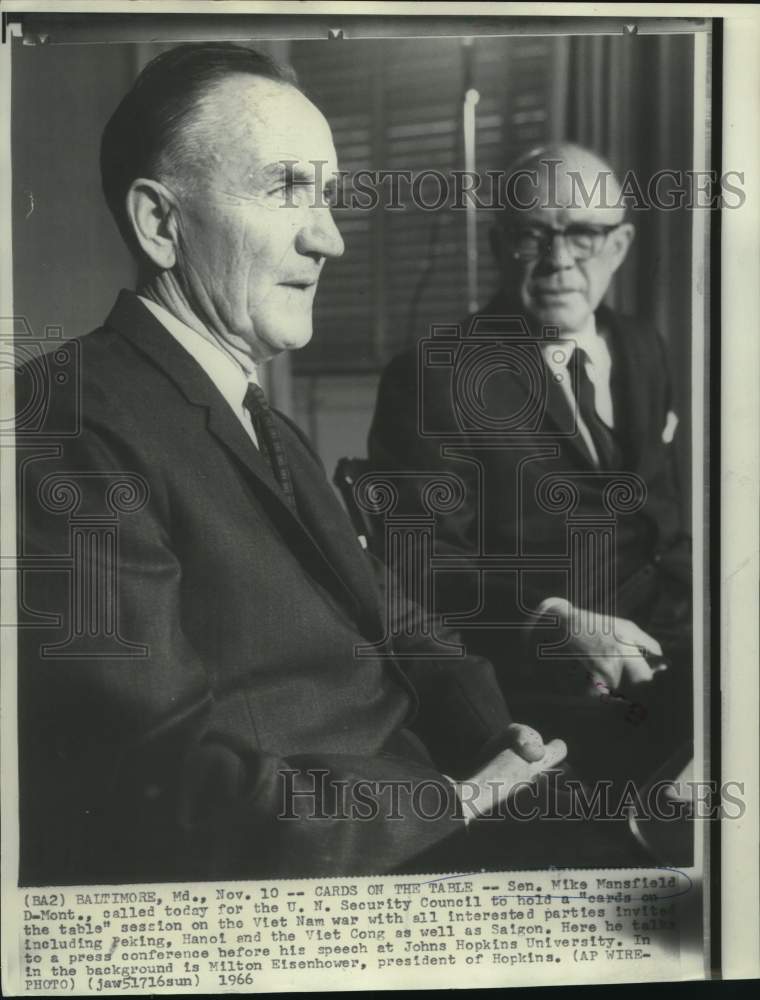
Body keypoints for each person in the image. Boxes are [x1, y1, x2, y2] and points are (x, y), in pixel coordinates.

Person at [16, 48, 644, 887]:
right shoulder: (68, 418)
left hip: (433, 801)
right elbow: (159, 780)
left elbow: (387, 608)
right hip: (331, 869)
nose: (331, 238)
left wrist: (493, 739)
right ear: (160, 225)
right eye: (285, 191)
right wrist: (449, 806)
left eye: (328, 197)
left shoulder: (250, 410)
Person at [368, 144, 692, 788]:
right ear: (498, 245)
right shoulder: (435, 376)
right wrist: (555, 619)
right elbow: (419, 566)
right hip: (554, 683)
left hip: (677, 643)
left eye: (585, 235)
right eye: (532, 236)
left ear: (621, 245)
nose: (559, 261)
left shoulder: (641, 346)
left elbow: (662, 520)